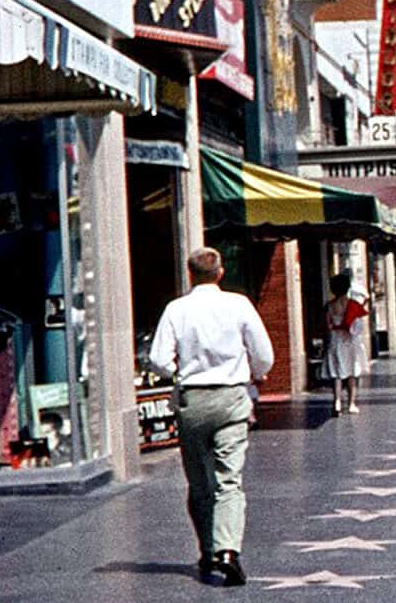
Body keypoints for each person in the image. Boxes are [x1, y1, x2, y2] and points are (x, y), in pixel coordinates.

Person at [148, 247, 274, 587]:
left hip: (193, 400)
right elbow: (264, 354)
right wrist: (253, 374)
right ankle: (228, 550)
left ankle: (207, 548)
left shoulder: (177, 309)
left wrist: (179, 373)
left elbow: (158, 359)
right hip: (231, 396)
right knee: (228, 480)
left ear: (190, 274)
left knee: (199, 481)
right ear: (220, 273)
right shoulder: (238, 305)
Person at [322, 273, 369, 416]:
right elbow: (358, 326)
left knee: (337, 373)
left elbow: (327, 325)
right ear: (348, 287)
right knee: (352, 373)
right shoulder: (353, 304)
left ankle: (336, 402)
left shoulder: (329, 305)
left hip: (336, 340)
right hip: (350, 342)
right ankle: (351, 404)